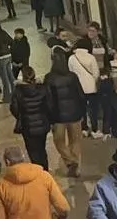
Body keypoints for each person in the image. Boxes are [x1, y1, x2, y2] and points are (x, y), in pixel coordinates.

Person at [45, 47, 88, 177]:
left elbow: (48, 100)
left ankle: (70, 161)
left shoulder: (49, 78)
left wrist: (50, 118)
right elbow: (81, 95)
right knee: (75, 140)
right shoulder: (72, 76)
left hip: (58, 117)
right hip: (75, 115)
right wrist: (82, 112)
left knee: (59, 141)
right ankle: (74, 162)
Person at [11, 65, 54, 171]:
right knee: (42, 149)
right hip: (42, 125)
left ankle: (37, 171)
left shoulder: (18, 91)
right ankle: (45, 171)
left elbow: (14, 108)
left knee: (32, 152)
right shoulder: (42, 88)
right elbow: (49, 105)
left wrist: (21, 116)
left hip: (27, 126)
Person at [69, 37, 103, 139]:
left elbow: (71, 73)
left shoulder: (72, 58)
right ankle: (94, 129)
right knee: (93, 109)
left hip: (78, 88)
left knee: (82, 109)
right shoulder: (91, 57)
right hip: (91, 88)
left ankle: (84, 129)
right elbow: (96, 73)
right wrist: (92, 81)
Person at [0, 21, 17, 100]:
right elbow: (11, 42)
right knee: (11, 76)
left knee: (4, 79)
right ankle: (15, 94)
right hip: (8, 56)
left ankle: (7, 97)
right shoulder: (3, 32)